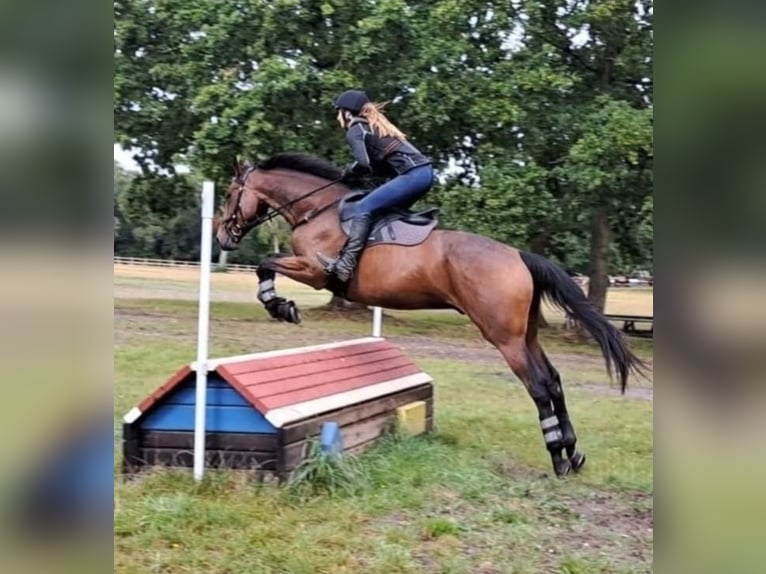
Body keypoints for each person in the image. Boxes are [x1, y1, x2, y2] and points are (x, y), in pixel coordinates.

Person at [317, 89, 434, 282]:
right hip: (423, 174)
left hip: (414, 175)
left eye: (338, 113)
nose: (338, 119)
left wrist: (349, 172)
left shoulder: (357, 128)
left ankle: (345, 264)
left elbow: (364, 164)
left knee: (363, 207)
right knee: (379, 213)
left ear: (347, 113)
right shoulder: (371, 127)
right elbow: (380, 167)